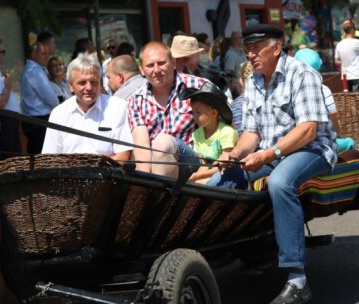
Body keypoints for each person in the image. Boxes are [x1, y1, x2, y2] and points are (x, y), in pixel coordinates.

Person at [214, 24, 337, 304]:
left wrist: (267, 155)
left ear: (277, 48)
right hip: (273, 151)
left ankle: (297, 279)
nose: (251, 54)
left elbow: (308, 130)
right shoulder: (254, 80)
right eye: (248, 49)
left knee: (281, 182)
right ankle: (233, 247)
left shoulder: (301, 74)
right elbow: (251, 134)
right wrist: (233, 154)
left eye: (256, 48)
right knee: (220, 181)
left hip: (313, 149)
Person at [128, 41, 206, 178]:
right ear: (141, 69)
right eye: (150, 65)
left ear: (173, 62)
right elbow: (142, 149)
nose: (156, 70)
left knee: (163, 142)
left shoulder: (198, 86)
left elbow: (225, 124)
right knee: (161, 144)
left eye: (161, 63)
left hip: (195, 161)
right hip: (159, 166)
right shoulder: (136, 100)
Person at [42, 53, 132, 161]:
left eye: (93, 82)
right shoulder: (59, 113)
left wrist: (100, 173)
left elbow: (124, 153)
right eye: (82, 82)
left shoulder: (117, 106)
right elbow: (50, 157)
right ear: (70, 86)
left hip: (107, 174)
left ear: (100, 82)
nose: (89, 87)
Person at [185, 82, 238, 184]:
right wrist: (195, 179)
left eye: (198, 112)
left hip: (226, 173)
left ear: (213, 113)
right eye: (193, 112)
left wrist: (198, 176)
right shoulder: (197, 134)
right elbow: (204, 163)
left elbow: (225, 165)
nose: (194, 117)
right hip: (208, 173)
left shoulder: (227, 132)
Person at [20, 42, 59, 154]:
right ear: (33, 54)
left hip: (35, 119)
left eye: (47, 53)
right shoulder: (34, 71)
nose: (47, 56)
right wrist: (61, 110)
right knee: (41, 153)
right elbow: (51, 98)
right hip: (39, 120)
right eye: (43, 53)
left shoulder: (33, 69)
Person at [335, 22, 359, 92]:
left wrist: (344, 61)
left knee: (348, 99)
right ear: (352, 30)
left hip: (345, 75)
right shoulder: (356, 42)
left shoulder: (339, 44)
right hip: (356, 74)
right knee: (358, 99)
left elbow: (336, 61)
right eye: (355, 29)